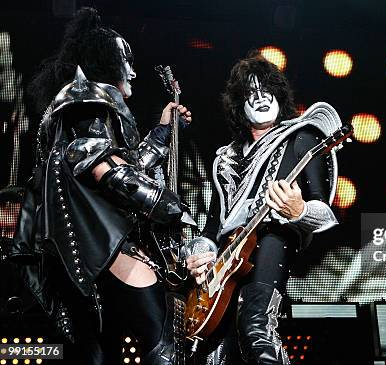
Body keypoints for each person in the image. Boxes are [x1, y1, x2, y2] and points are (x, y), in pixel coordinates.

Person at [10, 7, 194, 364]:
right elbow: (102, 167)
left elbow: (118, 163)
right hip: (98, 249)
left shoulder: (79, 109)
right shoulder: (85, 101)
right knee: (162, 339)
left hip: (84, 251)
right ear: (107, 62)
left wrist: (160, 133)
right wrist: (166, 205)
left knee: (102, 351)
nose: (134, 70)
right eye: (126, 60)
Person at [185, 51, 341, 364]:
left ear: (279, 96)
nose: (260, 99)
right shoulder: (224, 158)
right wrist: (199, 255)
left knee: (255, 326)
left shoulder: (302, 137)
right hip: (227, 261)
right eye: (250, 93)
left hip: (274, 238)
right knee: (213, 351)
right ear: (237, 105)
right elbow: (215, 225)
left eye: (267, 90)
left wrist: (299, 211)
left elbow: (325, 212)